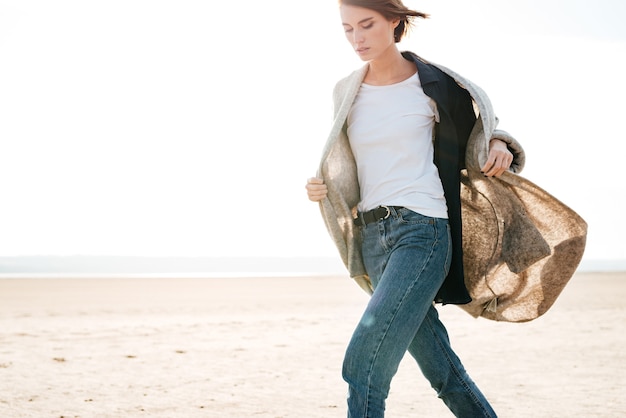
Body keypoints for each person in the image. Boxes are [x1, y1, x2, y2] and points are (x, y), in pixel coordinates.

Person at [305, 1, 525, 416]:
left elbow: (483, 130)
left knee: (364, 363)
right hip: (371, 239)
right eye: (348, 29)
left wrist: (501, 144)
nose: (358, 38)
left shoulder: (435, 83)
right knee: (442, 370)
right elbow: (348, 165)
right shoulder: (346, 90)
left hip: (421, 231)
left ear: (394, 22)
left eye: (367, 25)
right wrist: (324, 187)